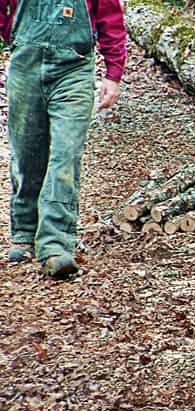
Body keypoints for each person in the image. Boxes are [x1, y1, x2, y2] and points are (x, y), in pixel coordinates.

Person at [1, 0, 127, 278]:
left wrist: (113, 73)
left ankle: (56, 244)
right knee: (26, 154)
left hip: (74, 72)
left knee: (65, 155)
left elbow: (111, 19)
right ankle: (24, 232)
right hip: (25, 66)